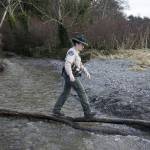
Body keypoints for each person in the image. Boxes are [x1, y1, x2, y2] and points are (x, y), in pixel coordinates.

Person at [52, 34, 96, 118]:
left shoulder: (76, 52)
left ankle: (56, 110)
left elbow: (79, 64)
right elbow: (67, 64)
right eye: (82, 44)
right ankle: (87, 113)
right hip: (71, 75)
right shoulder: (72, 52)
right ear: (77, 44)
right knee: (81, 92)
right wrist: (71, 75)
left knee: (65, 93)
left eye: (83, 45)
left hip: (69, 75)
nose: (83, 47)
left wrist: (86, 71)